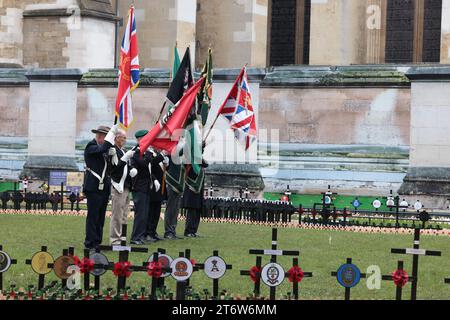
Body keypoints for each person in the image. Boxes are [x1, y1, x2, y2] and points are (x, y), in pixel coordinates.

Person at [83, 125, 118, 250]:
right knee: (93, 216)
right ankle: (90, 242)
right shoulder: (91, 146)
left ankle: (97, 241)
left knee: (101, 216)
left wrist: (113, 155)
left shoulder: (106, 149)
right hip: (93, 186)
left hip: (104, 187)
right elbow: (101, 149)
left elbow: (112, 168)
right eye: (99, 134)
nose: (99, 136)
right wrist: (109, 143)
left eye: (103, 135)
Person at [129, 130, 165, 245]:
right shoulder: (136, 152)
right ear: (140, 139)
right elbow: (143, 164)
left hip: (146, 188)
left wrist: (154, 180)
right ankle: (135, 237)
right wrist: (149, 154)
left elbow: (148, 170)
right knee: (140, 214)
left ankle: (140, 236)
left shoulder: (144, 152)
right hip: (139, 188)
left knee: (144, 214)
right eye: (147, 139)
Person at [108, 129, 136, 245]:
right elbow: (115, 168)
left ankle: (122, 237)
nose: (124, 140)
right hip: (118, 185)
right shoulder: (114, 151)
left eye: (125, 138)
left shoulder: (123, 151)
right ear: (116, 138)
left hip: (126, 186)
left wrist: (131, 170)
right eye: (122, 137)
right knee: (117, 215)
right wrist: (125, 159)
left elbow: (124, 167)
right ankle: (115, 239)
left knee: (124, 214)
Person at [145, 147, 169, 242]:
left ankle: (153, 232)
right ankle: (148, 233)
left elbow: (163, 171)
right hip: (152, 188)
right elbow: (152, 163)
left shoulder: (157, 155)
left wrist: (166, 164)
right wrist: (162, 155)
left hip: (160, 188)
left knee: (156, 212)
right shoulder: (149, 153)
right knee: (151, 212)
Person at [182, 159, 208, 238]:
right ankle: (188, 231)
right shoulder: (190, 161)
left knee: (197, 211)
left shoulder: (199, 162)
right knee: (192, 211)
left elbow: (205, 164)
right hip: (191, 190)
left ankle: (193, 230)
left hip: (198, 191)